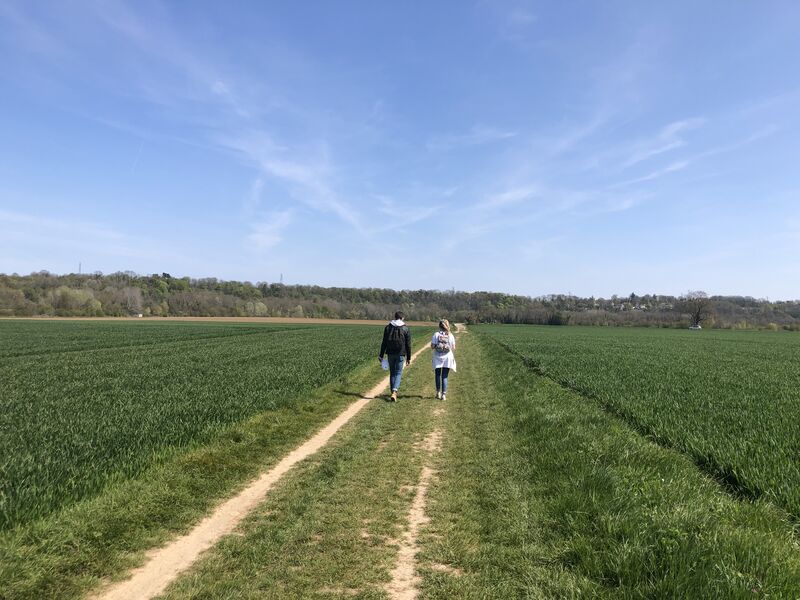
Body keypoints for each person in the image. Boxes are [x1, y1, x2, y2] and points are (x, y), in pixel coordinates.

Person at [379, 311, 412, 401]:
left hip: (390, 353)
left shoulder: (388, 327)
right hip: (401, 353)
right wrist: (408, 357)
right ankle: (394, 391)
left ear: (395, 317)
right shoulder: (405, 328)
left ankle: (392, 393)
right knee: (398, 373)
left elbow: (384, 342)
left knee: (392, 373)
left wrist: (381, 355)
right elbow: (408, 344)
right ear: (402, 318)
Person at [431, 319, 456, 400]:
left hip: (437, 356)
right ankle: (443, 395)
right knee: (444, 376)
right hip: (447, 357)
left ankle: (438, 392)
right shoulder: (450, 335)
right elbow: (453, 348)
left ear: (439, 326)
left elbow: (432, 346)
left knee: (437, 375)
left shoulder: (436, 334)